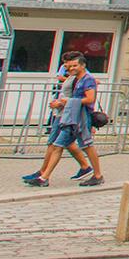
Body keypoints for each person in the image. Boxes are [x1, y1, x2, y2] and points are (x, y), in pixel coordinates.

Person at [25, 52, 105, 188]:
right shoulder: (76, 79)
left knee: (86, 146)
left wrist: (69, 101)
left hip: (80, 118)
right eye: (70, 65)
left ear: (82, 65)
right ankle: (44, 177)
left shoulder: (88, 79)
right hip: (71, 118)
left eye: (75, 65)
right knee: (59, 146)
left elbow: (90, 99)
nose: (72, 68)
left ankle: (97, 175)